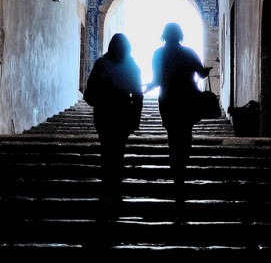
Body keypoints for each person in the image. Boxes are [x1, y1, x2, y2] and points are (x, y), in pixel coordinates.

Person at [144, 22, 211, 210]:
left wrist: (148, 87)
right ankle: (183, 165)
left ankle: (176, 169)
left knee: (173, 134)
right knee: (186, 132)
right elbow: (201, 73)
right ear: (180, 35)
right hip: (188, 98)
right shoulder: (189, 53)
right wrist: (205, 72)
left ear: (164, 35)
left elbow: (157, 79)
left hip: (168, 99)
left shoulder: (158, 54)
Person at [83, 32, 144, 220]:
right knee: (117, 151)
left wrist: (100, 102)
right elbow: (138, 95)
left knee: (108, 150)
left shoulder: (102, 64)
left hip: (105, 113)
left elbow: (89, 92)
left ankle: (107, 187)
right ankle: (114, 188)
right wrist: (135, 118)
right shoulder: (131, 66)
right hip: (122, 113)